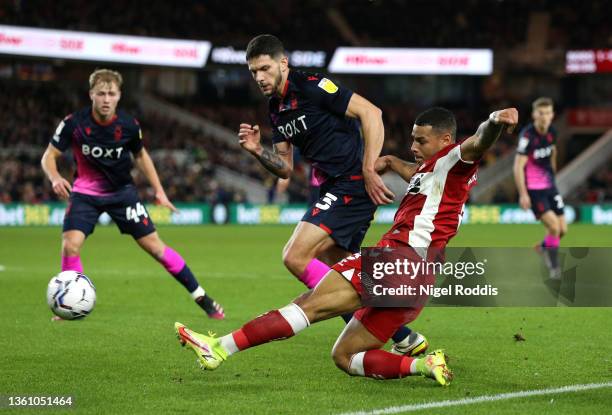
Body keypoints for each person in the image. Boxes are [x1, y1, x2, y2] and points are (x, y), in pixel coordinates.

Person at [175, 107, 519, 385]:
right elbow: (415, 171)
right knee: (344, 357)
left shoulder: (455, 159)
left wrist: (494, 121)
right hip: (420, 278)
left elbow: (478, 143)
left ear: (446, 140)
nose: (413, 145)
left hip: (399, 260)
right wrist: (387, 163)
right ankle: (425, 365)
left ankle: (218, 347)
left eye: (421, 140)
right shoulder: (435, 171)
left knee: (308, 305)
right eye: (412, 139)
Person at [237, 34, 425, 355]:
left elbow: (372, 113)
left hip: (351, 182)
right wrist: (256, 151)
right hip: (331, 186)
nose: (259, 78)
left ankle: (392, 324)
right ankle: (403, 335)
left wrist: (368, 168)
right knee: (340, 269)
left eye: (265, 69)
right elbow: (284, 168)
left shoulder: (311, 84)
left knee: (296, 256)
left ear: (283, 63)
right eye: (254, 72)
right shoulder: (276, 109)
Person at [41, 69, 224, 319]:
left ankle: (202, 297)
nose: (106, 99)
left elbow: (141, 156)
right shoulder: (74, 123)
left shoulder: (128, 125)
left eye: (111, 94)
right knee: (70, 245)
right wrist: (54, 177)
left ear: (119, 96)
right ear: (91, 95)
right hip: (85, 193)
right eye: (101, 93)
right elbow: (49, 156)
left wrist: (159, 190)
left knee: (156, 249)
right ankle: (67, 307)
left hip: (122, 194)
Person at [513, 97, 567, 278]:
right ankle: (554, 269)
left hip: (550, 187)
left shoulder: (552, 132)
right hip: (534, 190)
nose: (544, 117)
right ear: (534, 115)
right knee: (554, 228)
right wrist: (523, 194)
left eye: (548, 113)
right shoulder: (527, 136)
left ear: (552, 115)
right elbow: (518, 166)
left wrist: (553, 174)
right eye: (541, 113)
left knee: (563, 230)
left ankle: (544, 246)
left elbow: (553, 152)